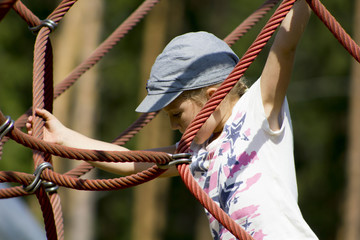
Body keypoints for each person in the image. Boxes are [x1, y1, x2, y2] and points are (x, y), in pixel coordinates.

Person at [28, 0, 318, 239]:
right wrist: (64, 138)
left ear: (213, 97)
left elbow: (284, 47)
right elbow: (131, 162)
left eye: (177, 114)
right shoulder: (193, 154)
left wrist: (300, 6)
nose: (172, 126)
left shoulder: (259, 110)